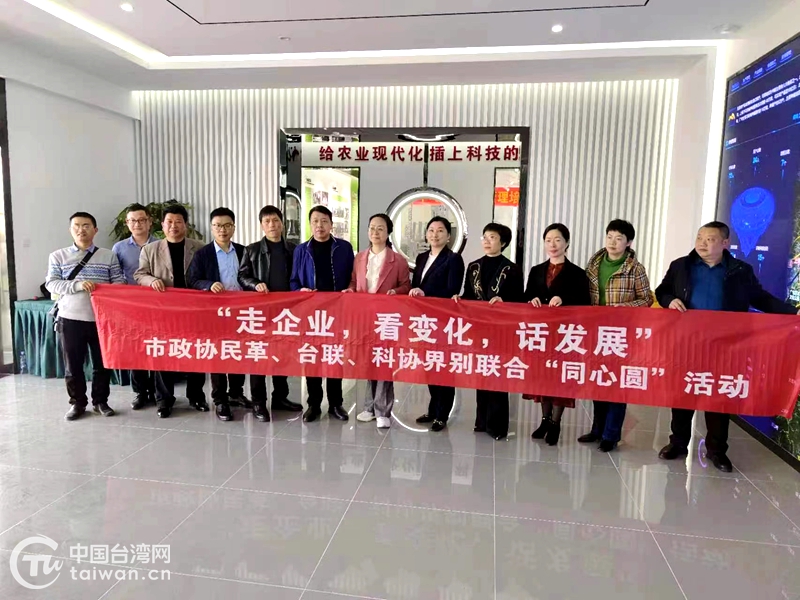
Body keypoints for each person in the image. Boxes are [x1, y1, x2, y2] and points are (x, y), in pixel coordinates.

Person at [655, 221, 800, 472]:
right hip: (688, 344)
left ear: (725, 243)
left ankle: (717, 450)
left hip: (726, 347)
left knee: (720, 397)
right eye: (699, 237)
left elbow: (760, 298)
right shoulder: (681, 266)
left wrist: (792, 312)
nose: (702, 243)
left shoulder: (740, 271)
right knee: (683, 394)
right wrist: (670, 300)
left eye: (709, 239)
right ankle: (678, 443)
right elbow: (662, 291)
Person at [577, 219, 653, 452]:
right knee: (598, 380)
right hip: (595, 332)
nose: (612, 242)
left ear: (628, 243)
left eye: (619, 238)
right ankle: (597, 429)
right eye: (609, 236)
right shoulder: (594, 264)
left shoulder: (635, 268)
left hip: (621, 335)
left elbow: (647, 299)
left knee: (617, 384)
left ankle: (611, 434)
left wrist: (624, 308)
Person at [46, 212, 125, 421]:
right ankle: (77, 403)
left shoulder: (108, 255)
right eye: (77, 226)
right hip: (70, 318)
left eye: (86, 225)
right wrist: (78, 285)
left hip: (102, 320)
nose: (81, 229)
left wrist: (104, 289)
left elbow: (119, 282)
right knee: (73, 366)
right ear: (70, 230)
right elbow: (51, 284)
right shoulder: (58, 256)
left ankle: (100, 401)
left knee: (102, 364)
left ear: (95, 230)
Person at [135, 205, 207, 419]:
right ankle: (164, 399)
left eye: (178, 221)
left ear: (185, 224)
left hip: (193, 312)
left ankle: (196, 396)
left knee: (196, 353)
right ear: (162, 225)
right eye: (169, 222)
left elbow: (206, 275)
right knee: (163, 355)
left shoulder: (199, 248)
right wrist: (152, 280)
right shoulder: (150, 249)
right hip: (163, 312)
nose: (173, 226)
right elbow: (140, 275)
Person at [524, 223, 591, 446]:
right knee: (543, 376)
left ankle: (555, 422)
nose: (552, 244)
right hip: (541, 334)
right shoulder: (536, 270)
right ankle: (544, 420)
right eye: (548, 240)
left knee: (561, 379)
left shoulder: (578, 273)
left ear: (567, 243)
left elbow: (585, 302)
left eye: (557, 240)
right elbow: (526, 296)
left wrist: (564, 300)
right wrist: (531, 299)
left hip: (565, 336)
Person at [455, 223, 523, 440]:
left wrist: (504, 301)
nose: (486, 241)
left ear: (503, 242)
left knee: (498, 376)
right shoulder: (473, 266)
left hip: (501, 330)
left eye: (492, 237)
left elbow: (519, 301)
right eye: (484, 237)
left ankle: (498, 426)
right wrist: (459, 299)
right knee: (482, 373)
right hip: (479, 328)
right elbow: (468, 295)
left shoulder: (512, 269)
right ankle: (482, 421)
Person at [344, 213, 411, 430]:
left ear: (388, 232)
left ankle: (383, 410)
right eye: (372, 228)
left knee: (384, 362)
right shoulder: (360, 258)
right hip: (364, 318)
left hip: (386, 318)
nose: (375, 232)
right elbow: (354, 282)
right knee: (368, 361)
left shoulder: (398, 260)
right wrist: (350, 290)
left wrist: (396, 292)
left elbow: (406, 286)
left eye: (380, 228)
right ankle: (369, 407)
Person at [290, 205, 355, 423]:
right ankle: (314, 404)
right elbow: (293, 281)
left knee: (334, 356)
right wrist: (300, 291)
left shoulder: (344, 248)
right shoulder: (301, 250)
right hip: (311, 313)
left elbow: (352, 278)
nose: (320, 225)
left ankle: (336, 403)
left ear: (331, 224)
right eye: (315, 221)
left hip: (337, 312)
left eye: (324, 221)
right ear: (310, 224)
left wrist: (350, 289)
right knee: (313, 358)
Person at [238, 205, 302, 422]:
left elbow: (298, 277)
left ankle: (280, 397)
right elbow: (242, 276)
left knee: (281, 356)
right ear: (261, 225)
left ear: (282, 223)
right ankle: (258, 402)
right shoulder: (252, 250)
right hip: (259, 314)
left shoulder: (293, 250)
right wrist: (254, 284)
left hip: (285, 313)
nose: (272, 225)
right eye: (267, 221)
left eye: (275, 220)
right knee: (258, 357)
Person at [187, 208, 248, 422]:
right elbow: (192, 280)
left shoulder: (243, 251)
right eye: (218, 226)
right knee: (219, 355)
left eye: (227, 225)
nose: (223, 230)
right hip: (215, 313)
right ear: (212, 228)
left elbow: (249, 277)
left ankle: (236, 393)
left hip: (240, 312)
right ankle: (220, 399)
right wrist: (209, 284)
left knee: (238, 352)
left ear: (233, 227)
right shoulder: (203, 254)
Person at [410, 216, 466, 432]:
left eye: (440, 230)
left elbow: (452, 290)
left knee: (443, 368)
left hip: (443, 321)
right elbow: (416, 285)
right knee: (430, 366)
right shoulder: (422, 257)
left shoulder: (454, 259)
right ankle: (433, 409)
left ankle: (443, 414)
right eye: (431, 230)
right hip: (424, 321)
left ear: (448, 236)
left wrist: (425, 293)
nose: (435, 234)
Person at [112, 203, 158, 411]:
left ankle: (158, 391)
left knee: (156, 348)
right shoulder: (119, 248)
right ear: (127, 223)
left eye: (141, 220)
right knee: (135, 349)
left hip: (157, 306)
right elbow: (115, 276)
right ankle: (140, 392)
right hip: (131, 307)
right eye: (132, 221)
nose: (137, 224)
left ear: (149, 222)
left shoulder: (160, 244)